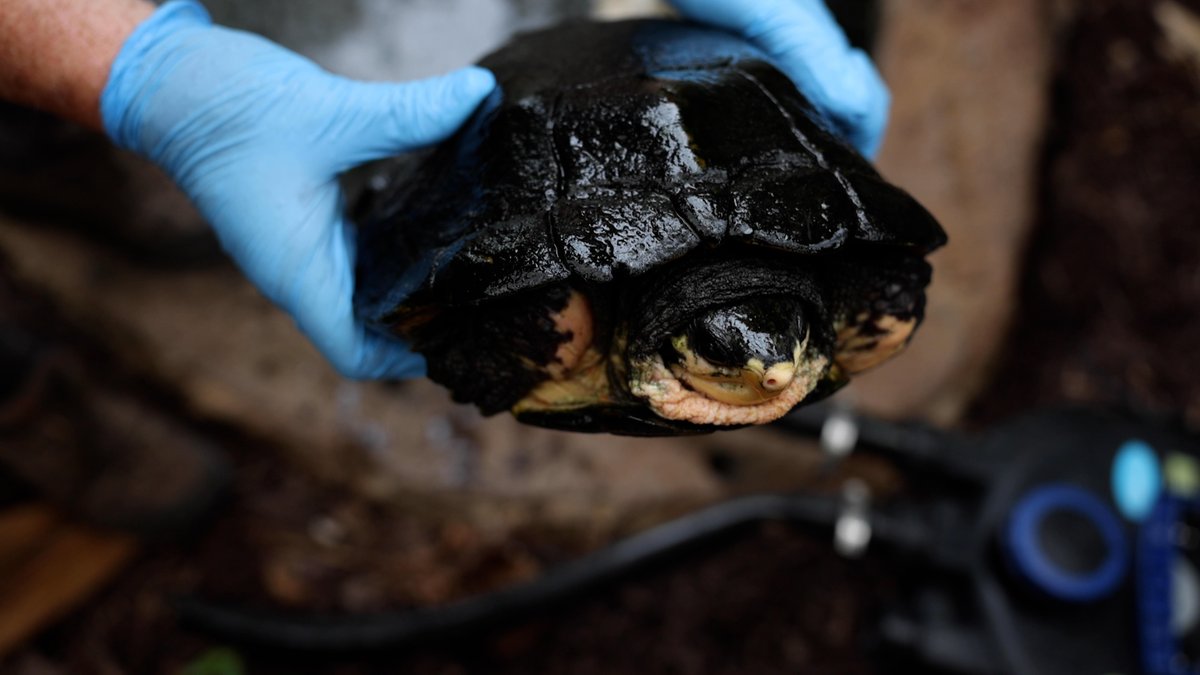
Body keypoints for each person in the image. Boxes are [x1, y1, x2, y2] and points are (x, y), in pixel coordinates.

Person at [0, 0, 886, 530]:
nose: (774, 372)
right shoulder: (566, 324)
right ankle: (47, 171)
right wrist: (138, 73)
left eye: (788, 348)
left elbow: (883, 274)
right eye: (739, 358)